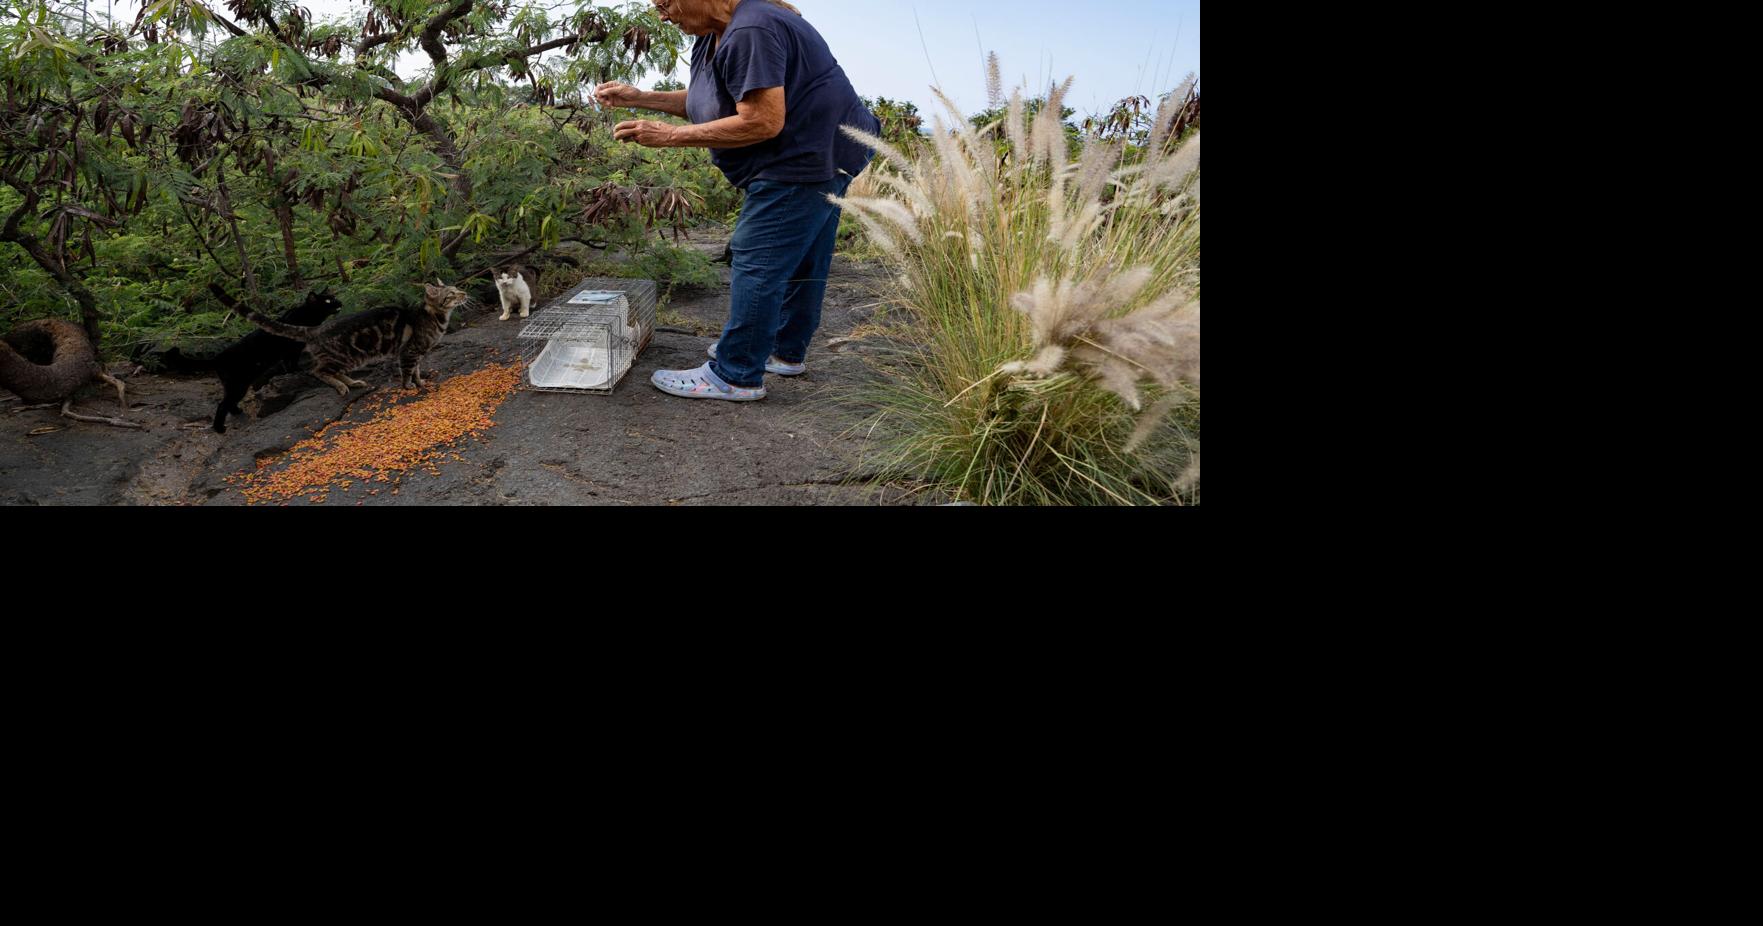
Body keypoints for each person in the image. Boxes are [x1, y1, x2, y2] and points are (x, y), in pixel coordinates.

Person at [595, 0, 879, 401]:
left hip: (804, 156)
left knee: (757, 252)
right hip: (827, 152)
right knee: (802, 256)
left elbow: (762, 120)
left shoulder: (751, 30)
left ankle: (736, 371)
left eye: (665, 3)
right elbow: (707, 99)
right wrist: (639, 97)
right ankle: (782, 351)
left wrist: (670, 136)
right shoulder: (715, 32)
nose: (662, 15)